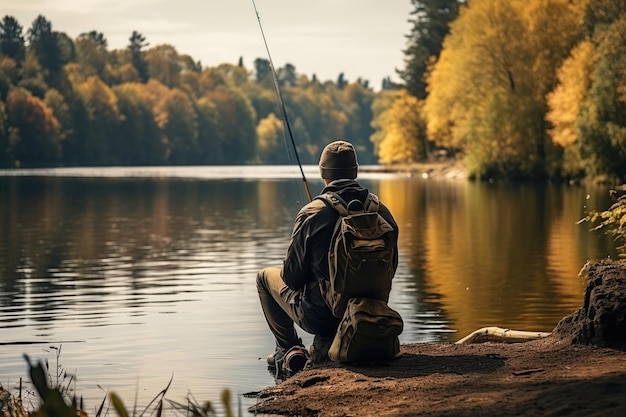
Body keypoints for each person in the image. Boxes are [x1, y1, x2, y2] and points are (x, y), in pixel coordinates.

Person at [256, 140, 400, 371]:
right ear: (355, 171)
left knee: (264, 277)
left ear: (323, 172)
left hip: (321, 317)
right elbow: (391, 269)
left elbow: (291, 278)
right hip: (371, 310)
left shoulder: (313, 212)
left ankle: (288, 349)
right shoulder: (381, 210)